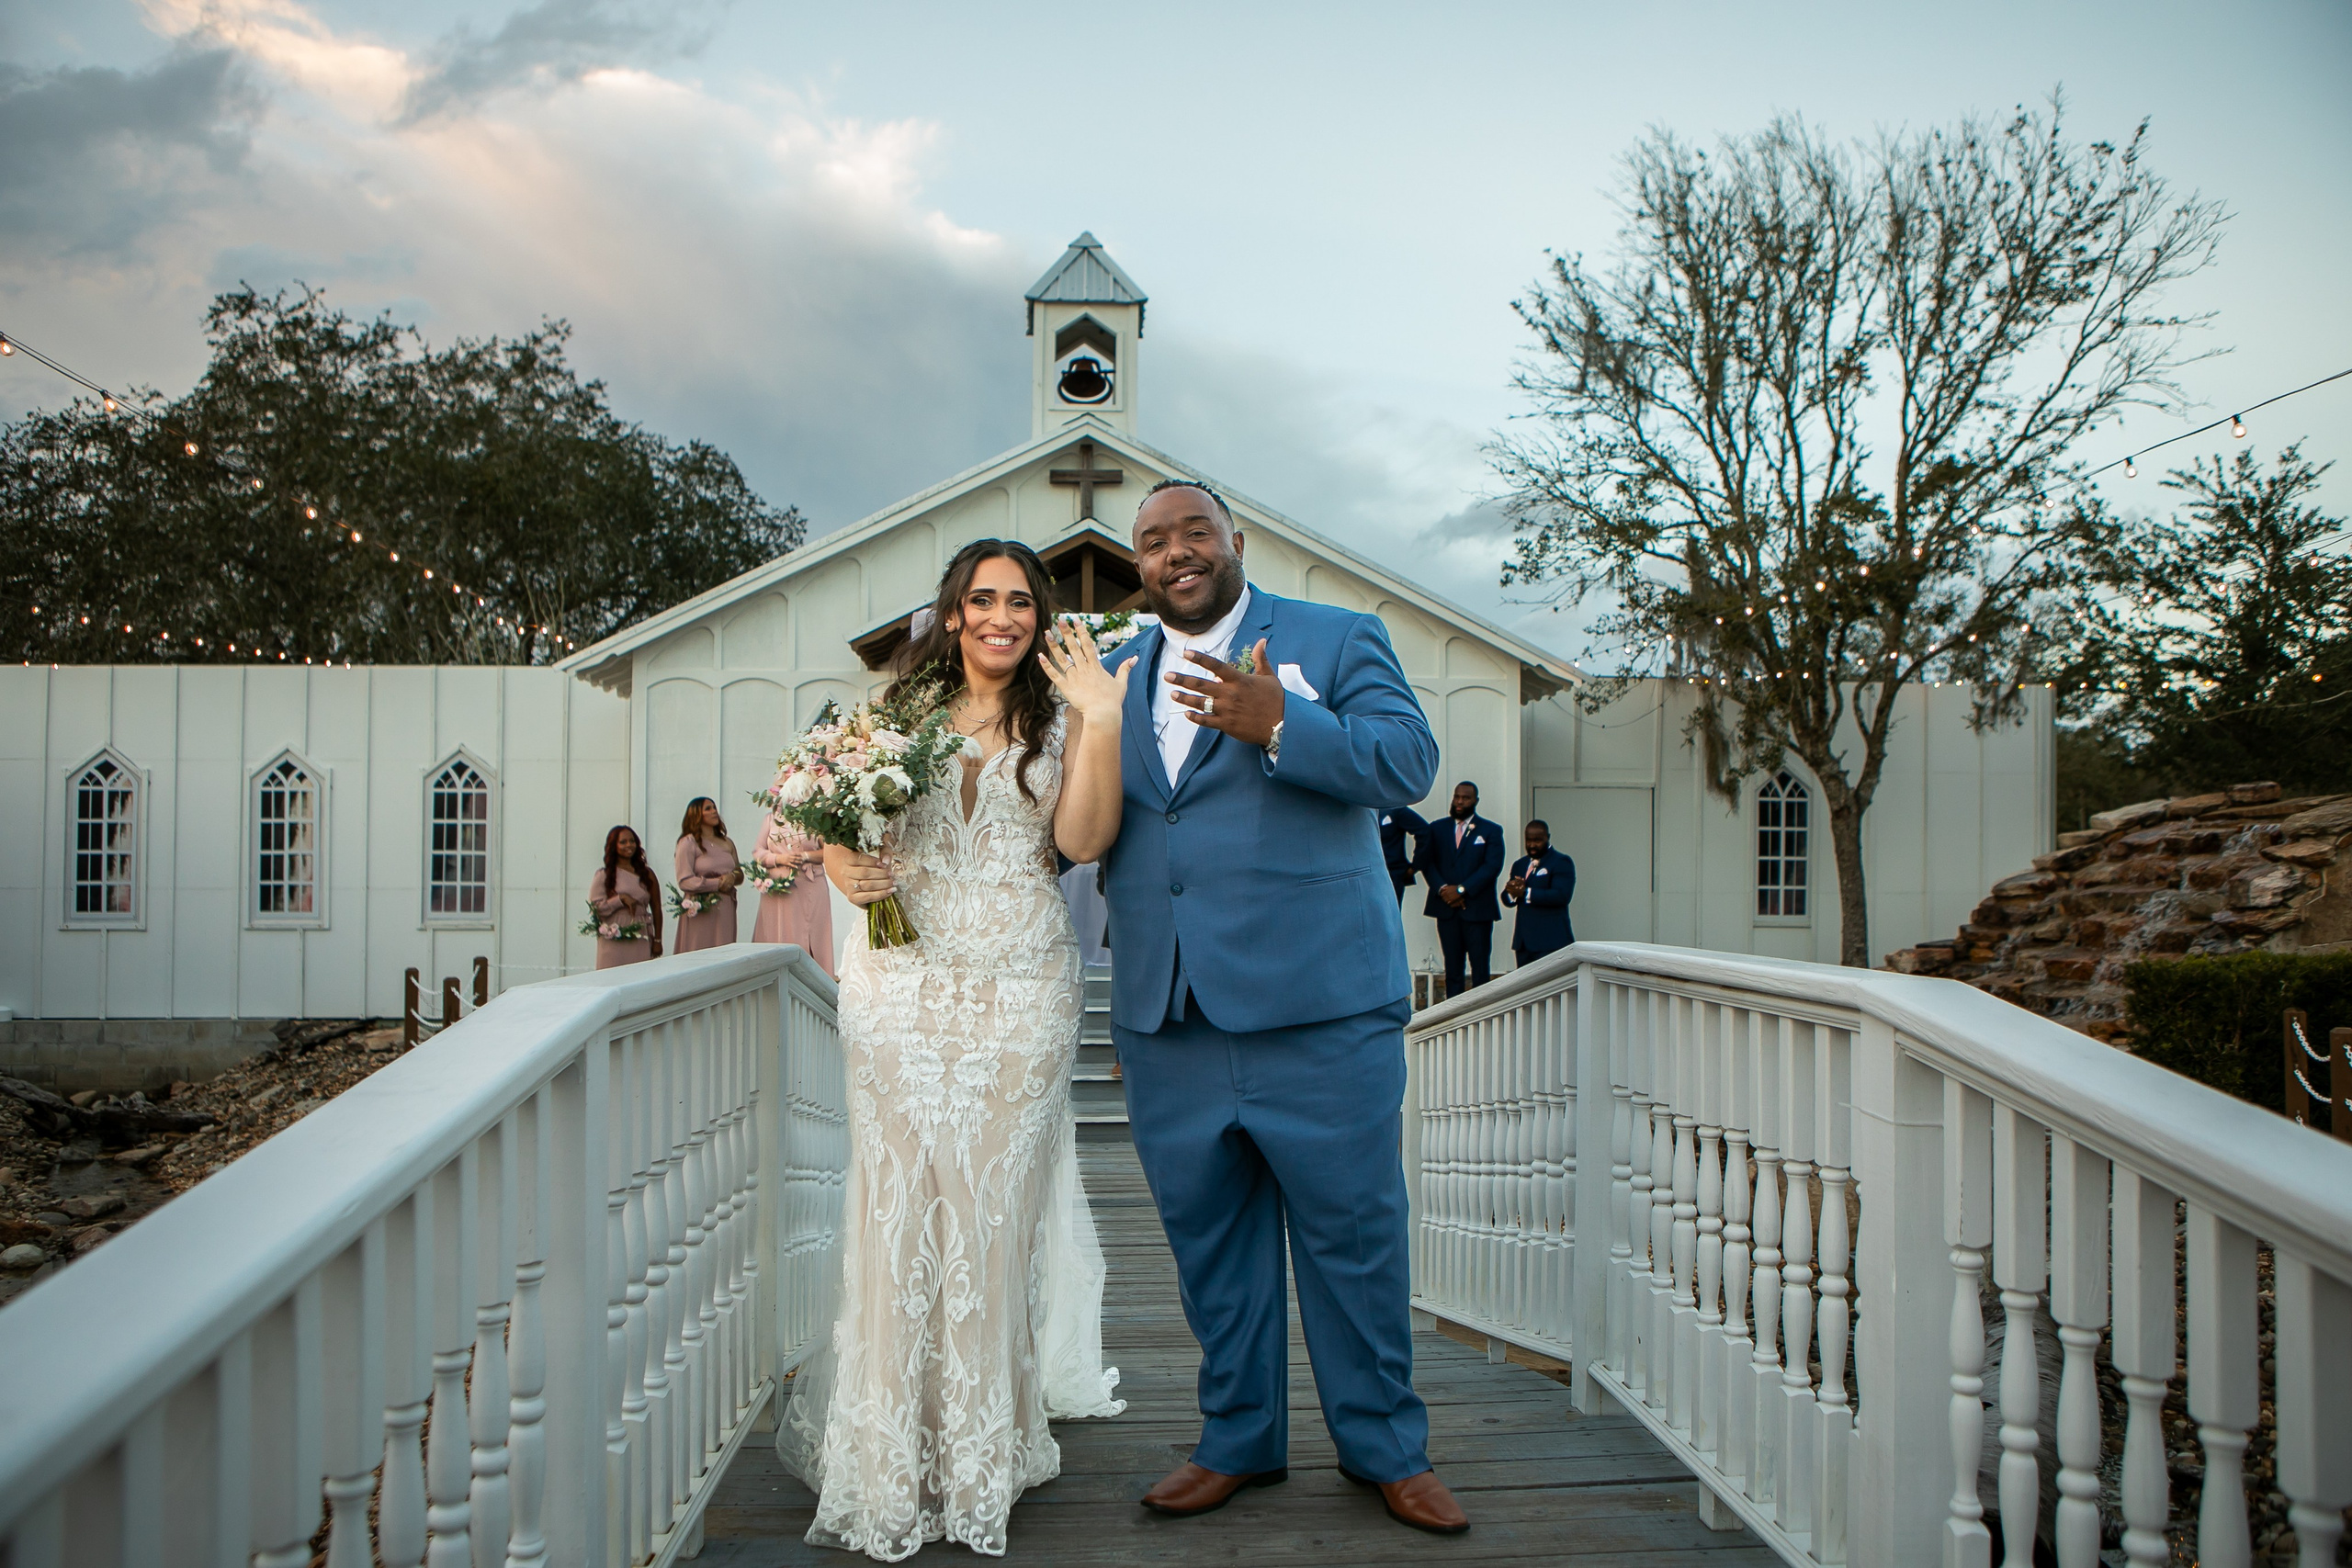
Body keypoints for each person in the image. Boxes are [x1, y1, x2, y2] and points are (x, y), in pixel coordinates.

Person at [1101, 479, 1470, 1536]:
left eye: (1195, 532)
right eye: (1154, 541)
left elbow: (1406, 762)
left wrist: (1282, 723)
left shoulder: (1335, 636)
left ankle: (1385, 1447)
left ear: (1235, 542)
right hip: (1170, 1013)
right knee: (1208, 1240)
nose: (1176, 551)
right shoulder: (1114, 674)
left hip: (1319, 1008)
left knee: (1353, 1235)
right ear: (1139, 564)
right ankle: (1237, 1438)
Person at [777, 538, 1130, 1559]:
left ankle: (984, 1448)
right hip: (902, 980)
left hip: (1021, 983)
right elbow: (835, 824)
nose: (1000, 617)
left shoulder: (1065, 710)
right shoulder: (890, 715)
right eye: (982, 599)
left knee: (988, 1213)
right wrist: (845, 861)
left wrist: (1100, 720)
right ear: (952, 610)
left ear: (1041, 614)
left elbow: (1086, 838)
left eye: (1019, 601)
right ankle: (890, 1456)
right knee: (897, 1208)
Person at [1419, 781, 1503, 998]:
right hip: (1446, 909)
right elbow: (1427, 863)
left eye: (1465, 798)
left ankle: (1482, 1016)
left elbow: (1492, 866)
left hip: (1477, 910)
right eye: (1457, 797)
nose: (1459, 802)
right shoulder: (1436, 828)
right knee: (1453, 968)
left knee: (1480, 968)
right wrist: (1444, 889)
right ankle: (1454, 1021)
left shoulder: (1491, 830)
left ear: (1475, 801)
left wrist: (1462, 890)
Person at [750, 809, 834, 978]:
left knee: (810, 933)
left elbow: (829, 853)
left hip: (809, 883)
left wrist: (804, 856)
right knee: (778, 932)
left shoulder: (816, 816)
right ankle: (774, 978)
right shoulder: (772, 818)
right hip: (777, 887)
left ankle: (813, 980)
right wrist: (778, 859)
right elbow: (757, 851)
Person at [587, 825, 662, 968]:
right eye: (623, 842)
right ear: (613, 846)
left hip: (640, 932)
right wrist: (620, 899)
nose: (629, 845)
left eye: (632, 841)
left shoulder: (647, 874)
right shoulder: (604, 875)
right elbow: (596, 908)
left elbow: (657, 908)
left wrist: (658, 940)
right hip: (614, 934)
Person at [672, 798, 741, 953]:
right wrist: (717, 883)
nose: (714, 811)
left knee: (723, 950)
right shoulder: (688, 843)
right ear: (697, 815)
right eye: (708, 809)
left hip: (724, 906)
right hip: (701, 907)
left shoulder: (727, 842)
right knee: (700, 949)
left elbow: (739, 872)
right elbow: (685, 881)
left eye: (714, 807)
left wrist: (732, 877)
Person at [1502, 818, 1576, 965]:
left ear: (1547, 838)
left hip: (1550, 942)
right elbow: (1507, 898)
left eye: (1537, 840)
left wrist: (1526, 893)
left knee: (1551, 986)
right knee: (1526, 987)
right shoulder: (1520, 865)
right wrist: (1511, 892)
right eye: (1528, 840)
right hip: (1523, 944)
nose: (1532, 845)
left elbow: (1561, 895)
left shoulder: (1561, 862)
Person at [1379, 802, 1430, 903]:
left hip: (1391, 875)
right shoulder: (1357, 808)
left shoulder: (1394, 809)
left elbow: (1424, 831)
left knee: (1390, 917)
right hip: (1362, 874)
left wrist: (1415, 866)